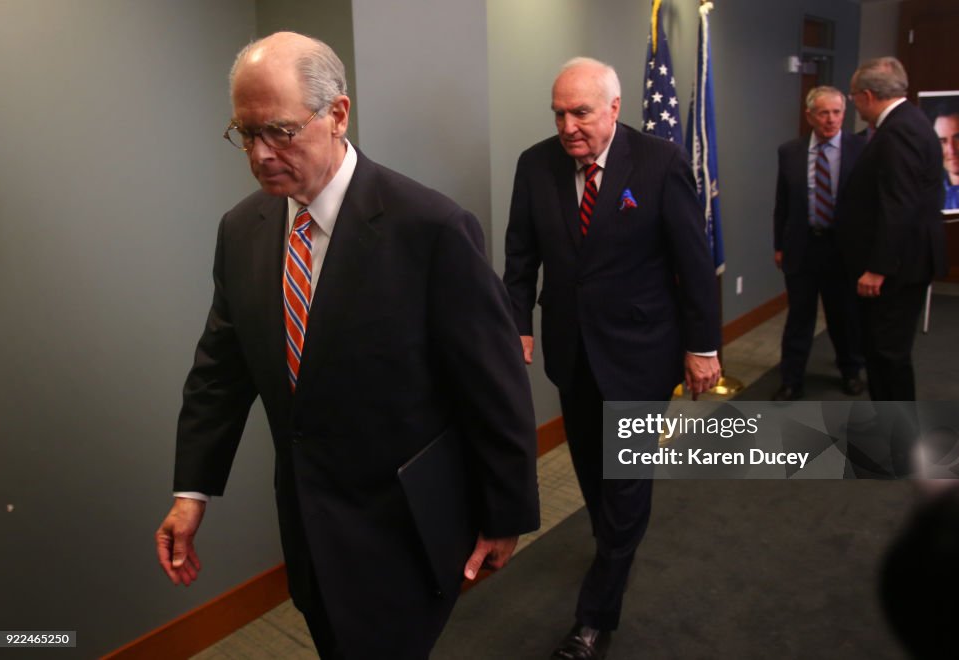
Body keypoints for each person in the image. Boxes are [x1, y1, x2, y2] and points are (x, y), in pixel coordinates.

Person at [154, 32, 540, 660]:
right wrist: (191, 492)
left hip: (405, 529)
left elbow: (493, 386)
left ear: (337, 115)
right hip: (308, 527)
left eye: (279, 131)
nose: (259, 155)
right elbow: (221, 373)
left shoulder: (431, 229)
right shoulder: (242, 231)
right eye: (244, 134)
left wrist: (506, 512)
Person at [503, 57, 721, 659]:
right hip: (572, 354)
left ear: (615, 108)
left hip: (642, 355)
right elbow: (520, 257)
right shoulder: (535, 165)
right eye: (559, 113)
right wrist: (516, 323)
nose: (568, 125)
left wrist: (702, 347)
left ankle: (593, 619)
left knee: (625, 481)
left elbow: (693, 264)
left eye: (581, 112)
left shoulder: (660, 163)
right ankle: (613, 544)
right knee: (594, 472)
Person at [837, 57, 947, 402]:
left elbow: (899, 205)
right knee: (881, 354)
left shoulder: (899, 131)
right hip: (902, 264)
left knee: (888, 356)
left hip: (896, 269)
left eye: (853, 95)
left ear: (867, 95)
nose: (853, 102)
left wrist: (877, 268)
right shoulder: (910, 122)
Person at [772, 85, 865, 401]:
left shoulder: (860, 149)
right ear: (810, 115)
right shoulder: (790, 152)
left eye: (837, 112)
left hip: (843, 249)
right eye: (823, 113)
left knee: (844, 315)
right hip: (803, 246)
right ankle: (791, 380)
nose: (831, 119)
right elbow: (782, 203)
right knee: (799, 317)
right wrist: (779, 245)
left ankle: (851, 371)